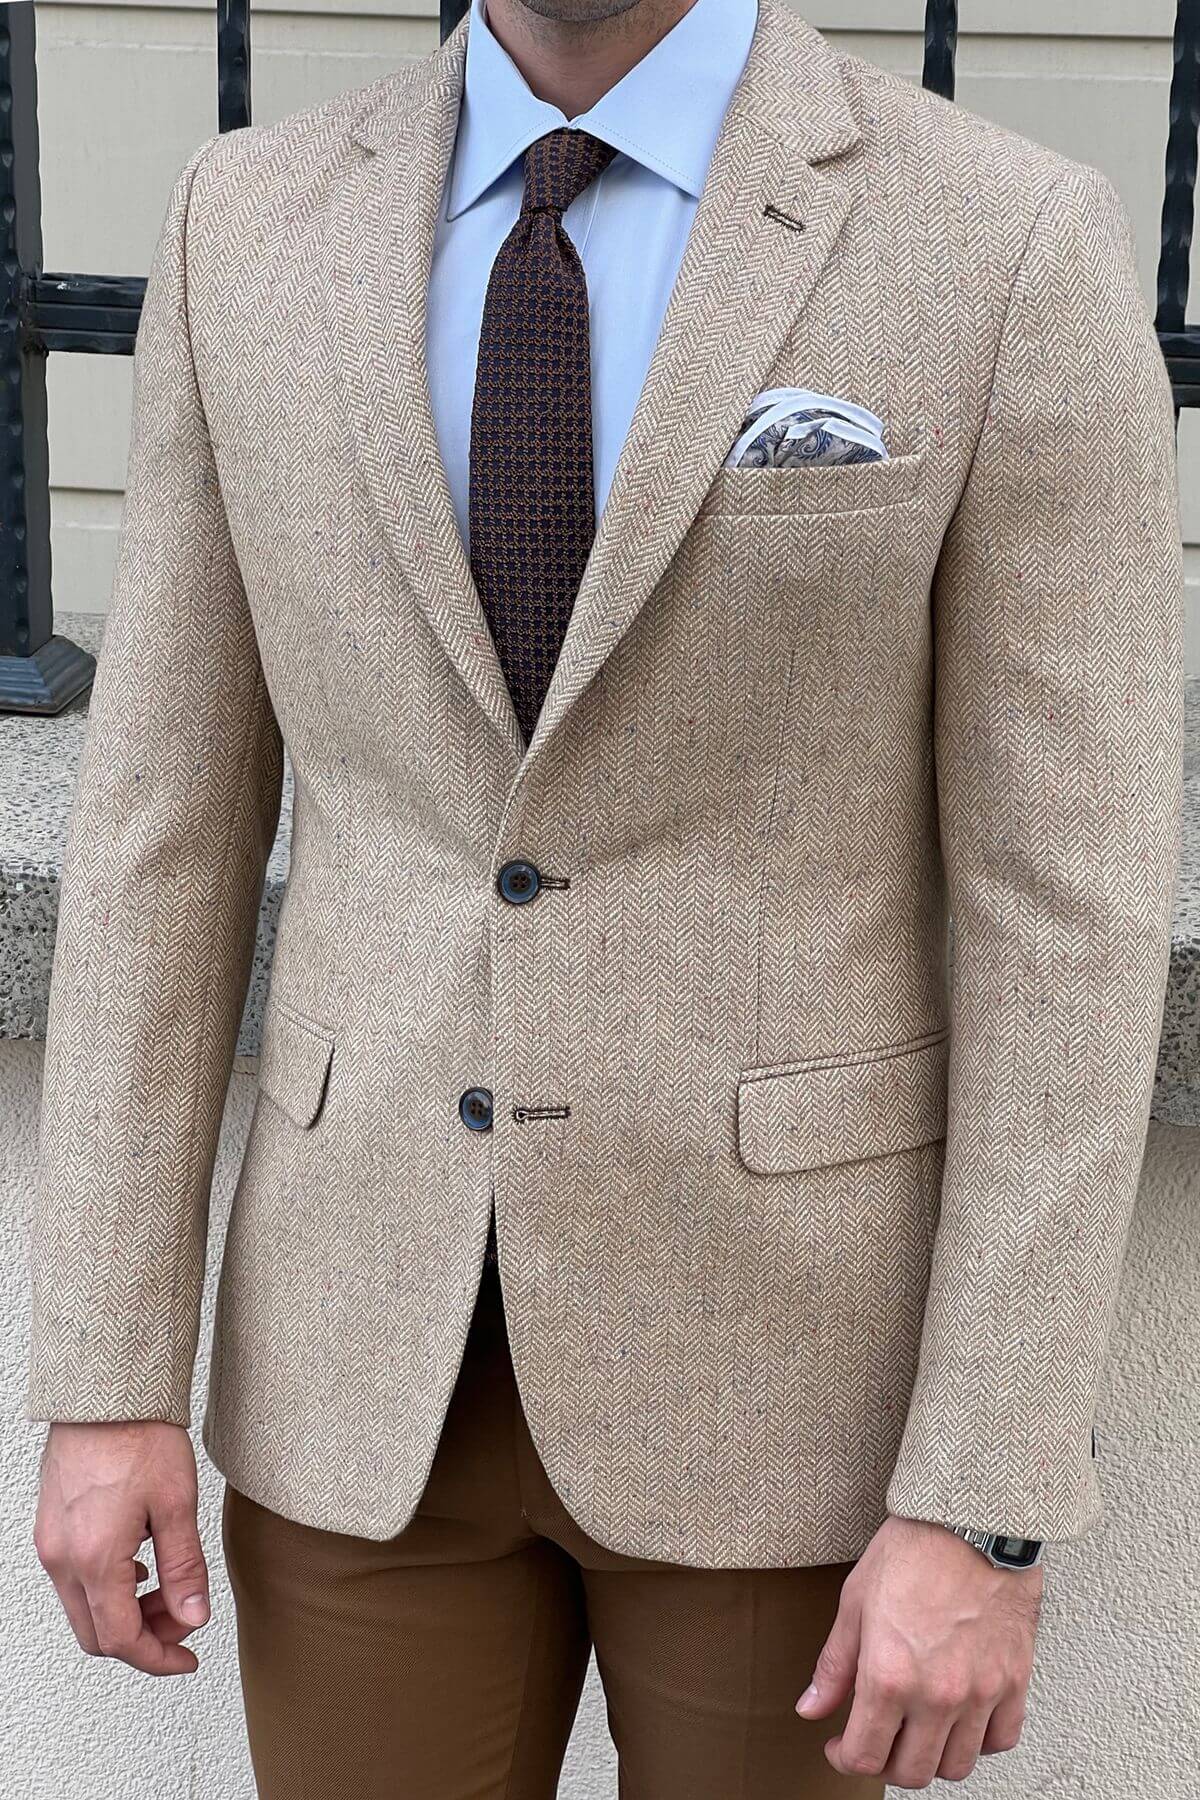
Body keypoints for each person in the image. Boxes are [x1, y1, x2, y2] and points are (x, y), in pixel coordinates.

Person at [27, 0, 1185, 1793]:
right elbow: (156, 838)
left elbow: (1070, 918)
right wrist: (105, 1378)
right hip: (354, 1376)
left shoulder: (1005, 237)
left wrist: (989, 1498)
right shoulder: (240, 220)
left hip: (790, 1397)